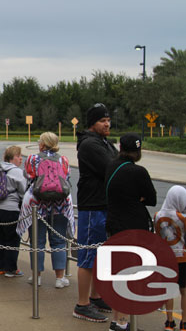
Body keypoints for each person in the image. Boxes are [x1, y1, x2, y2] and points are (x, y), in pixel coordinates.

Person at [105, 133, 156, 331]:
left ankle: (118, 321)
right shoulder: (139, 172)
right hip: (134, 227)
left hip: (114, 223)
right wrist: (139, 198)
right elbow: (151, 198)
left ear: (120, 147)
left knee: (119, 274)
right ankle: (125, 322)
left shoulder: (111, 167)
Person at [73, 103, 117, 322]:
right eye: (102, 120)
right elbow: (112, 167)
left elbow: (118, 162)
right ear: (93, 123)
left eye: (108, 120)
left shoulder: (104, 142)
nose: (107, 124)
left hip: (104, 205)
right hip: (92, 206)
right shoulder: (90, 145)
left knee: (101, 254)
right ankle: (82, 304)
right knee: (88, 256)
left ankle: (96, 295)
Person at [17, 132, 75, 288]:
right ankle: (59, 278)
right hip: (61, 205)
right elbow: (66, 178)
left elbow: (28, 177)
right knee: (59, 242)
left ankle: (37, 277)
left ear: (42, 144)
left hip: (37, 204)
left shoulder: (32, 159)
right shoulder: (64, 160)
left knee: (38, 242)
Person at [0, 145, 27, 277]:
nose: (21, 159)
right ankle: (11, 269)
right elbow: (23, 191)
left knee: (0, 239)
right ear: (12, 158)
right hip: (10, 209)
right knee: (12, 240)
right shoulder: (16, 171)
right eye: (18, 156)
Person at [155, 186, 186, 331]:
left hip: (166, 259)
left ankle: (169, 322)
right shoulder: (182, 218)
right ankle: (184, 322)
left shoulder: (157, 215)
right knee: (184, 291)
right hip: (182, 258)